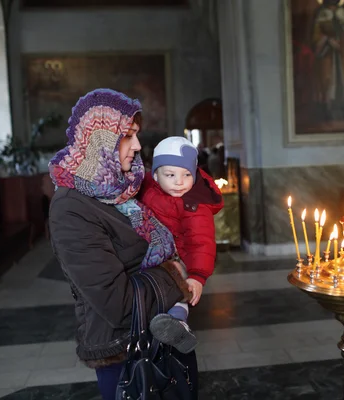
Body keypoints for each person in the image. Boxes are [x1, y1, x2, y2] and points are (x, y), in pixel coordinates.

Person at [47, 89, 197, 400]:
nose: (139, 146)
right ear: (100, 141)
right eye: (128, 136)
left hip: (160, 341)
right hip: (125, 354)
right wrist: (175, 272)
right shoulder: (71, 208)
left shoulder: (122, 189)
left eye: (137, 136)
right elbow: (119, 305)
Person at [133, 136, 224, 353]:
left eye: (186, 175)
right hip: (148, 255)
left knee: (177, 287)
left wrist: (198, 276)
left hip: (178, 258)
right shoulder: (146, 187)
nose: (179, 182)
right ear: (155, 175)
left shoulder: (194, 205)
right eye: (170, 175)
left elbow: (201, 242)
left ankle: (179, 324)